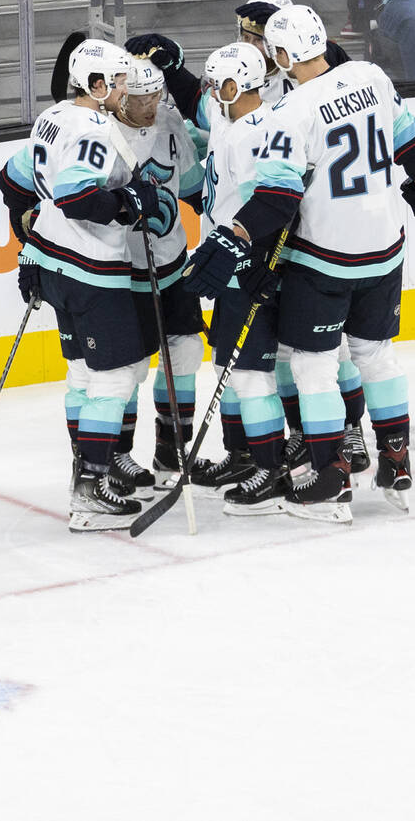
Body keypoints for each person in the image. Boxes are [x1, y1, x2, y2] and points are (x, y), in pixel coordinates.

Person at [183, 5, 415, 523]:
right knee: (375, 353)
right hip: (386, 251)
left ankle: (331, 477)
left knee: (314, 364)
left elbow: (275, 198)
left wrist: (232, 239)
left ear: (283, 56)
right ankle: (396, 461)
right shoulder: (372, 77)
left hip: (325, 258)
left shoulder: (293, 111)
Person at [126, 0, 372, 484]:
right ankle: (256, 454)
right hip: (247, 243)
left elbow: (280, 188)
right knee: (245, 360)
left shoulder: (303, 91)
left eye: (258, 35)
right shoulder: (238, 92)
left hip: (294, 243)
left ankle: (341, 437)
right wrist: (173, 69)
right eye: (243, 33)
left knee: (313, 353)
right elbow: (208, 116)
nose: (248, 42)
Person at [0, 39, 168, 532]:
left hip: (51, 262)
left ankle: (85, 473)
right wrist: (129, 202)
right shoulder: (95, 127)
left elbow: (11, 180)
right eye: (116, 83)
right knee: (115, 377)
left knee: (80, 372)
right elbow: (76, 197)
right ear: (96, 86)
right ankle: (90, 489)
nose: (123, 90)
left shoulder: (50, 117)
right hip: (90, 266)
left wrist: (29, 232)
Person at [180, 42, 291, 515]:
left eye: (215, 83)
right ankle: (242, 455)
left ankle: (271, 468)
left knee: (248, 375)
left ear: (234, 85)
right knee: (227, 362)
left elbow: (278, 202)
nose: (210, 90)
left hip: (246, 268)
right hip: (227, 266)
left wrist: (261, 261)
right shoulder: (232, 125)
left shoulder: (256, 133)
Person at [103, 56, 206, 501]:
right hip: (123, 269)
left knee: (184, 353)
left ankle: (173, 449)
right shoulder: (100, 132)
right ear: (122, 94)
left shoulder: (168, 119)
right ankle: (119, 456)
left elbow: (190, 185)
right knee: (128, 368)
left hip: (172, 261)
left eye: (155, 95)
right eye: (140, 97)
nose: (150, 105)